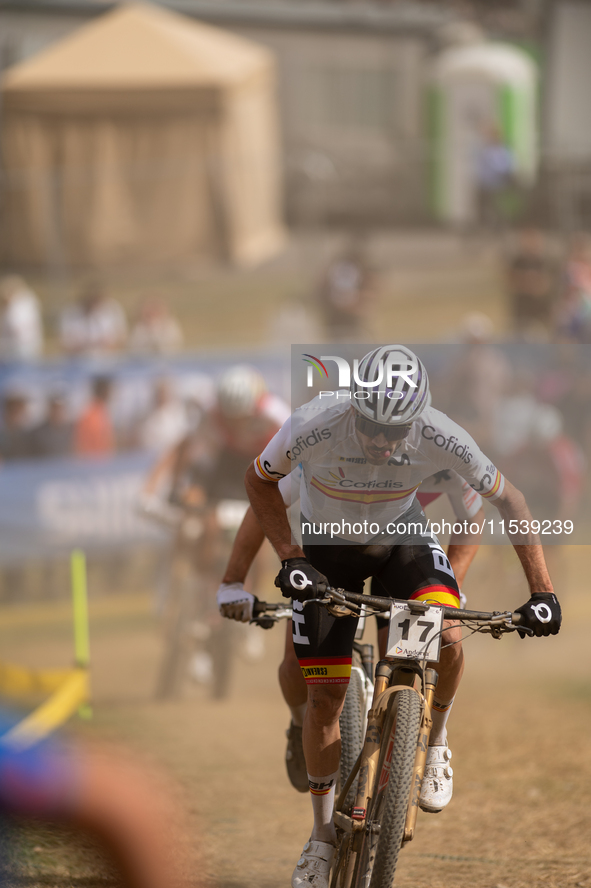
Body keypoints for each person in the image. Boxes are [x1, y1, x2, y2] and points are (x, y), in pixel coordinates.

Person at [242, 344, 560, 888]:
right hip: (326, 550)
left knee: (450, 634)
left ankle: (435, 744)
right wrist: (291, 558)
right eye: (371, 426)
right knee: (325, 695)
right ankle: (320, 839)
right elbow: (258, 481)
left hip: (401, 542)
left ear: (417, 421)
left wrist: (543, 592)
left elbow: (511, 501)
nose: (380, 441)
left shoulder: (442, 434)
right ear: (355, 409)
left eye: (395, 433)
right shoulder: (313, 424)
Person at [217, 466, 485, 793]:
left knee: (407, 663)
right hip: (332, 555)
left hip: (400, 556)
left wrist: (452, 583)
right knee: (294, 668)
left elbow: (473, 515)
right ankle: (301, 723)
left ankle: (404, 767)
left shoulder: (438, 459)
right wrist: (233, 581)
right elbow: (263, 503)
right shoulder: (339, 453)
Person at [60, 284, 127, 357]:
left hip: (108, 359)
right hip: (80, 360)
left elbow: (122, 340)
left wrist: (107, 346)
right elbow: (64, 344)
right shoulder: (72, 314)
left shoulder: (113, 309)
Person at [0, 275, 43, 361]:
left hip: (22, 349)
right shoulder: (23, 304)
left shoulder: (21, 306)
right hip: (18, 349)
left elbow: (15, 328)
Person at [74, 376, 116, 458]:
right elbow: (86, 445)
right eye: (109, 390)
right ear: (104, 391)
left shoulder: (101, 411)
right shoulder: (91, 414)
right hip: (94, 465)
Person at [30, 389, 74, 459]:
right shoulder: (37, 433)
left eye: (60, 408)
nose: (57, 412)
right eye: (54, 408)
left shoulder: (73, 431)